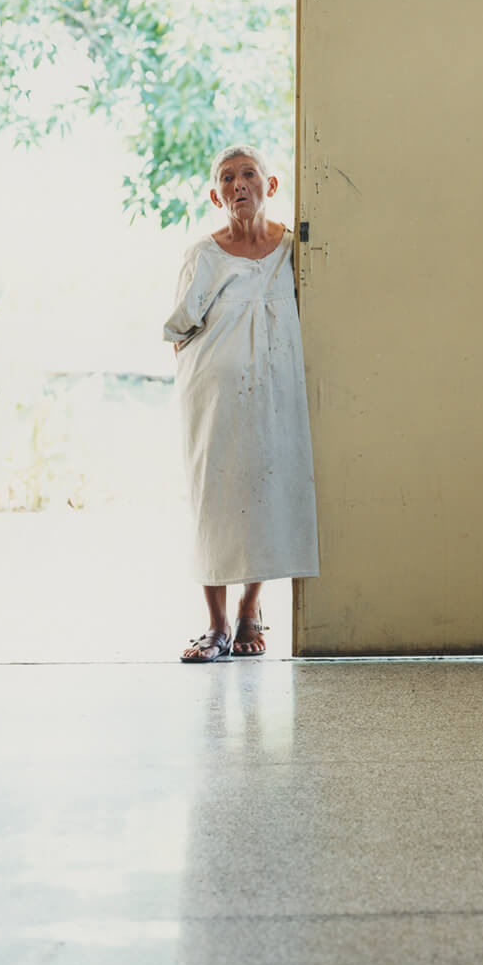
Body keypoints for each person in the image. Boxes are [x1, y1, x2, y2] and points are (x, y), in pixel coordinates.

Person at [163, 145, 319, 661]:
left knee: (266, 492)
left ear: (270, 187)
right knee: (217, 498)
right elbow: (180, 325)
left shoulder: (293, 249)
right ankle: (215, 626)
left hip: (275, 394)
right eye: (227, 179)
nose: (239, 186)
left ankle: (251, 610)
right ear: (215, 194)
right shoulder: (204, 254)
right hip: (215, 398)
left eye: (249, 174)